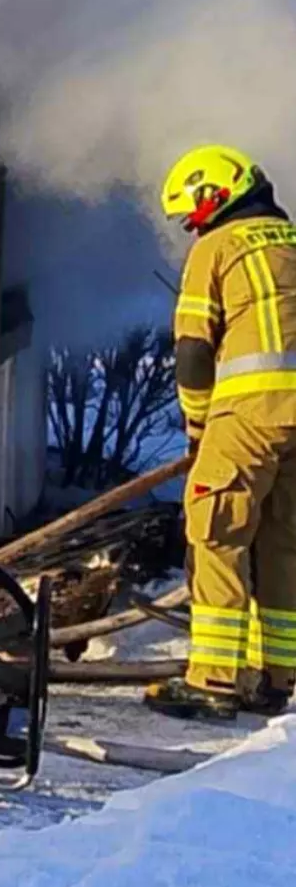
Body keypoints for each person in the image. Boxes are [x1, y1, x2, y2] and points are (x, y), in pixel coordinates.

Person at [148, 143, 296, 720]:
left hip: (247, 416)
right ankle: (277, 677)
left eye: (192, 210)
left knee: (218, 535)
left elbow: (192, 351)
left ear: (216, 193)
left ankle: (214, 681)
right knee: (283, 543)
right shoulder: (291, 243)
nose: (190, 224)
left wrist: (198, 423)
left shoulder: (217, 247)